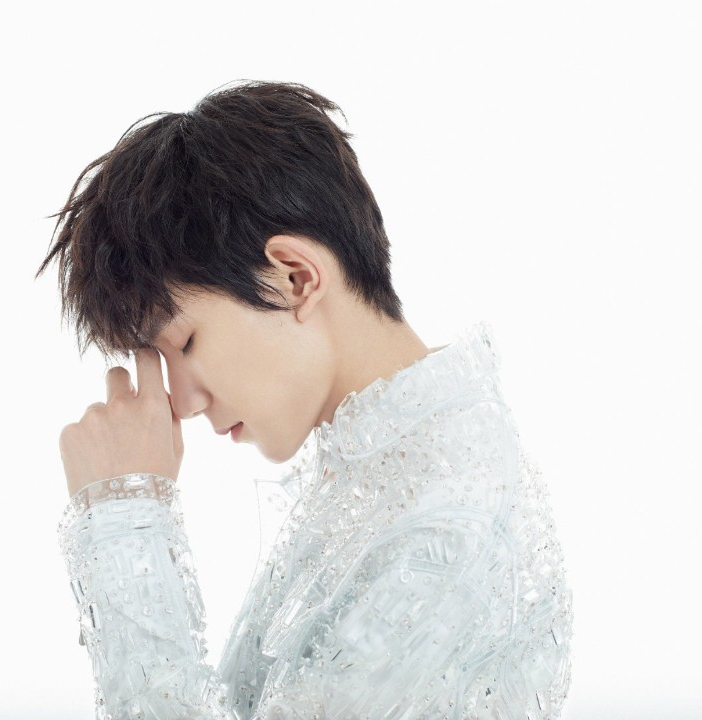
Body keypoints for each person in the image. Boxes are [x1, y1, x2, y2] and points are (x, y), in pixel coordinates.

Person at [36, 80, 573, 720]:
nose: (181, 401)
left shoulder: (449, 525)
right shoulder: (385, 474)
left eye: (184, 342)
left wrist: (125, 521)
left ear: (296, 278)